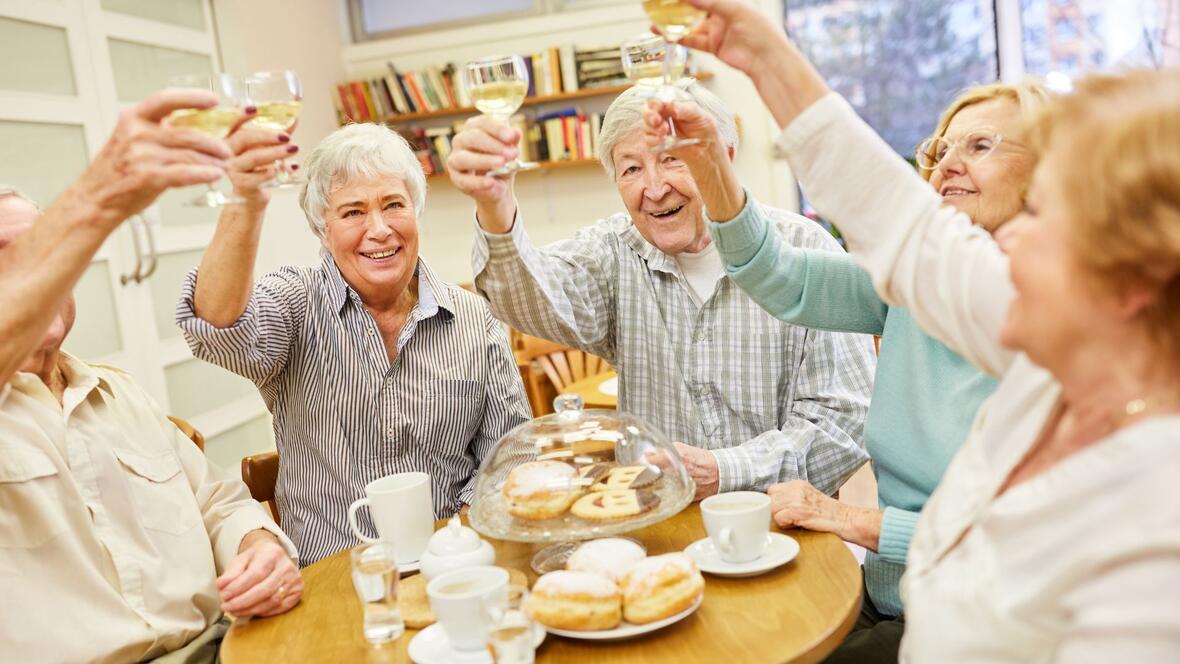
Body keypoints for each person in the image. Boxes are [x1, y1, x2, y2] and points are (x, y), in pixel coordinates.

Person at [657, 0, 1180, 659]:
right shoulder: (1063, 350)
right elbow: (902, 224)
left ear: (1133, 282)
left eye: (1048, 216)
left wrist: (849, 519)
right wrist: (763, 58)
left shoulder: (1157, 527)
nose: (1012, 240)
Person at [658, 76, 1048, 660]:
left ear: (1049, 174)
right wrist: (711, 165)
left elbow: (1016, 541)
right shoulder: (913, 282)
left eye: (980, 146)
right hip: (891, 590)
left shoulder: (1061, 324)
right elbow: (779, 276)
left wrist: (845, 517)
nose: (947, 165)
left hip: (986, 616)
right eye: (940, 149)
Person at [446, 82, 875, 501]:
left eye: (672, 159)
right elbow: (527, 299)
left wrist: (723, 471)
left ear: (724, 157)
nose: (653, 189)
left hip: (787, 526)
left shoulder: (803, 249)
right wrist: (495, 205)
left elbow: (843, 424)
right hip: (664, 526)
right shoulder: (615, 252)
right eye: (631, 169)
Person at [0, 93, 301, 663]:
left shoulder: (118, 394)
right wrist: (97, 198)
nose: (40, 271)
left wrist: (259, 546)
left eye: (49, 252)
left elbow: (217, 501)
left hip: (227, 649)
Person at [177, 122, 532, 566]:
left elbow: (512, 452)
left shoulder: (475, 319)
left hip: (453, 563)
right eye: (353, 212)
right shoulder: (295, 302)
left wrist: (458, 530)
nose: (379, 229)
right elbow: (216, 327)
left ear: (416, 211)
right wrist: (244, 202)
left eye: (393, 205)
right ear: (322, 230)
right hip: (335, 577)